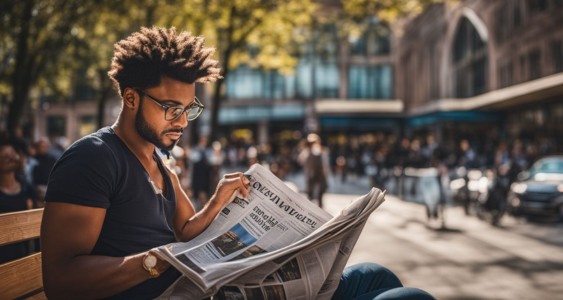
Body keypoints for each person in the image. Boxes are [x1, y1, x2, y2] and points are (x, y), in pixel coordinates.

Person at [41, 26, 433, 300]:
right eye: (170, 108)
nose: (181, 121)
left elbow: (186, 231)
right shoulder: (93, 159)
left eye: (188, 109)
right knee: (410, 296)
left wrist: (218, 201)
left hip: (215, 289)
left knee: (377, 276)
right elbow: (61, 281)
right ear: (130, 99)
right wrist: (153, 263)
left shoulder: (160, 161)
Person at [0, 140, 35, 263]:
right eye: (5, 155)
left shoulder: (27, 188)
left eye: (12, 154)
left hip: (21, 255)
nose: (11, 158)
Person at [299, 133, 330, 208]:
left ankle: (319, 204)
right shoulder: (307, 151)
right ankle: (310, 204)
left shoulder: (322, 150)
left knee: (321, 190)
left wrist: (325, 171)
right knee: (310, 191)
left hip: (320, 173)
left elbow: (325, 162)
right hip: (311, 173)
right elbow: (301, 160)